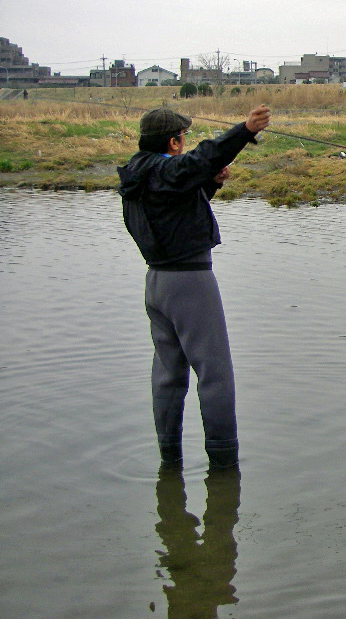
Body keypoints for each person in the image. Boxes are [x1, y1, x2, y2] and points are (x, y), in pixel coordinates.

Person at [118, 105, 271, 469]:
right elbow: (198, 160)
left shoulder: (138, 172)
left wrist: (209, 183)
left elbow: (173, 206)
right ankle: (223, 467)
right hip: (191, 283)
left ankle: (169, 461)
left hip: (156, 284)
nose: (185, 144)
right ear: (173, 142)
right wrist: (245, 130)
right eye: (182, 138)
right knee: (215, 374)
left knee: (168, 376)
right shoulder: (165, 168)